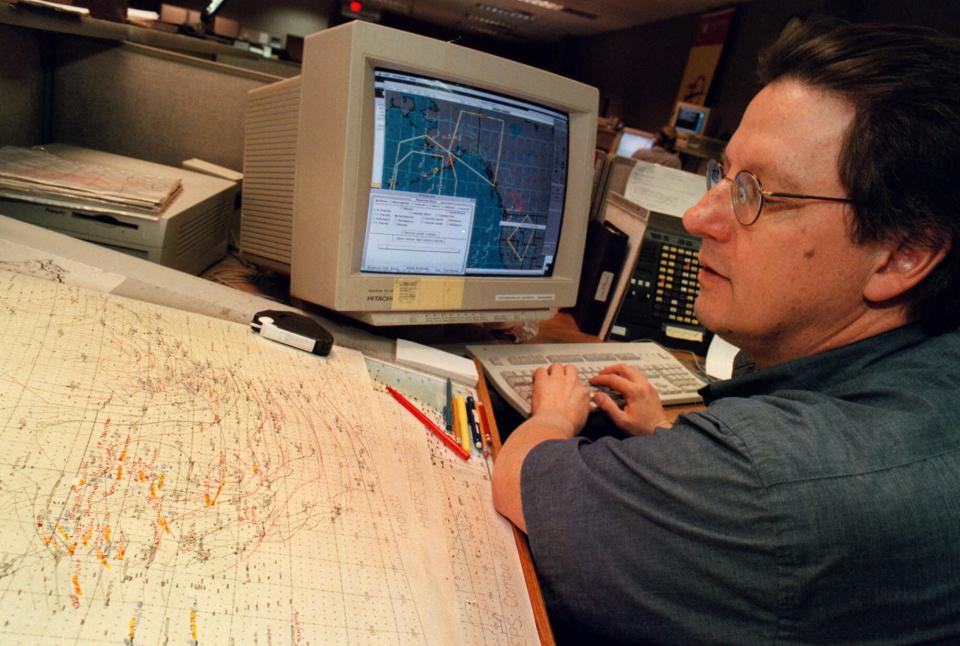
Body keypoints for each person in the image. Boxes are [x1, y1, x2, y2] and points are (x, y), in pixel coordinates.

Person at [492, 16, 960, 645]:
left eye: (759, 193)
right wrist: (665, 434)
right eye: (726, 176)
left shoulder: (770, 480)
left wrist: (550, 419)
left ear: (902, 254)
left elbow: (524, 482)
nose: (696, 217)